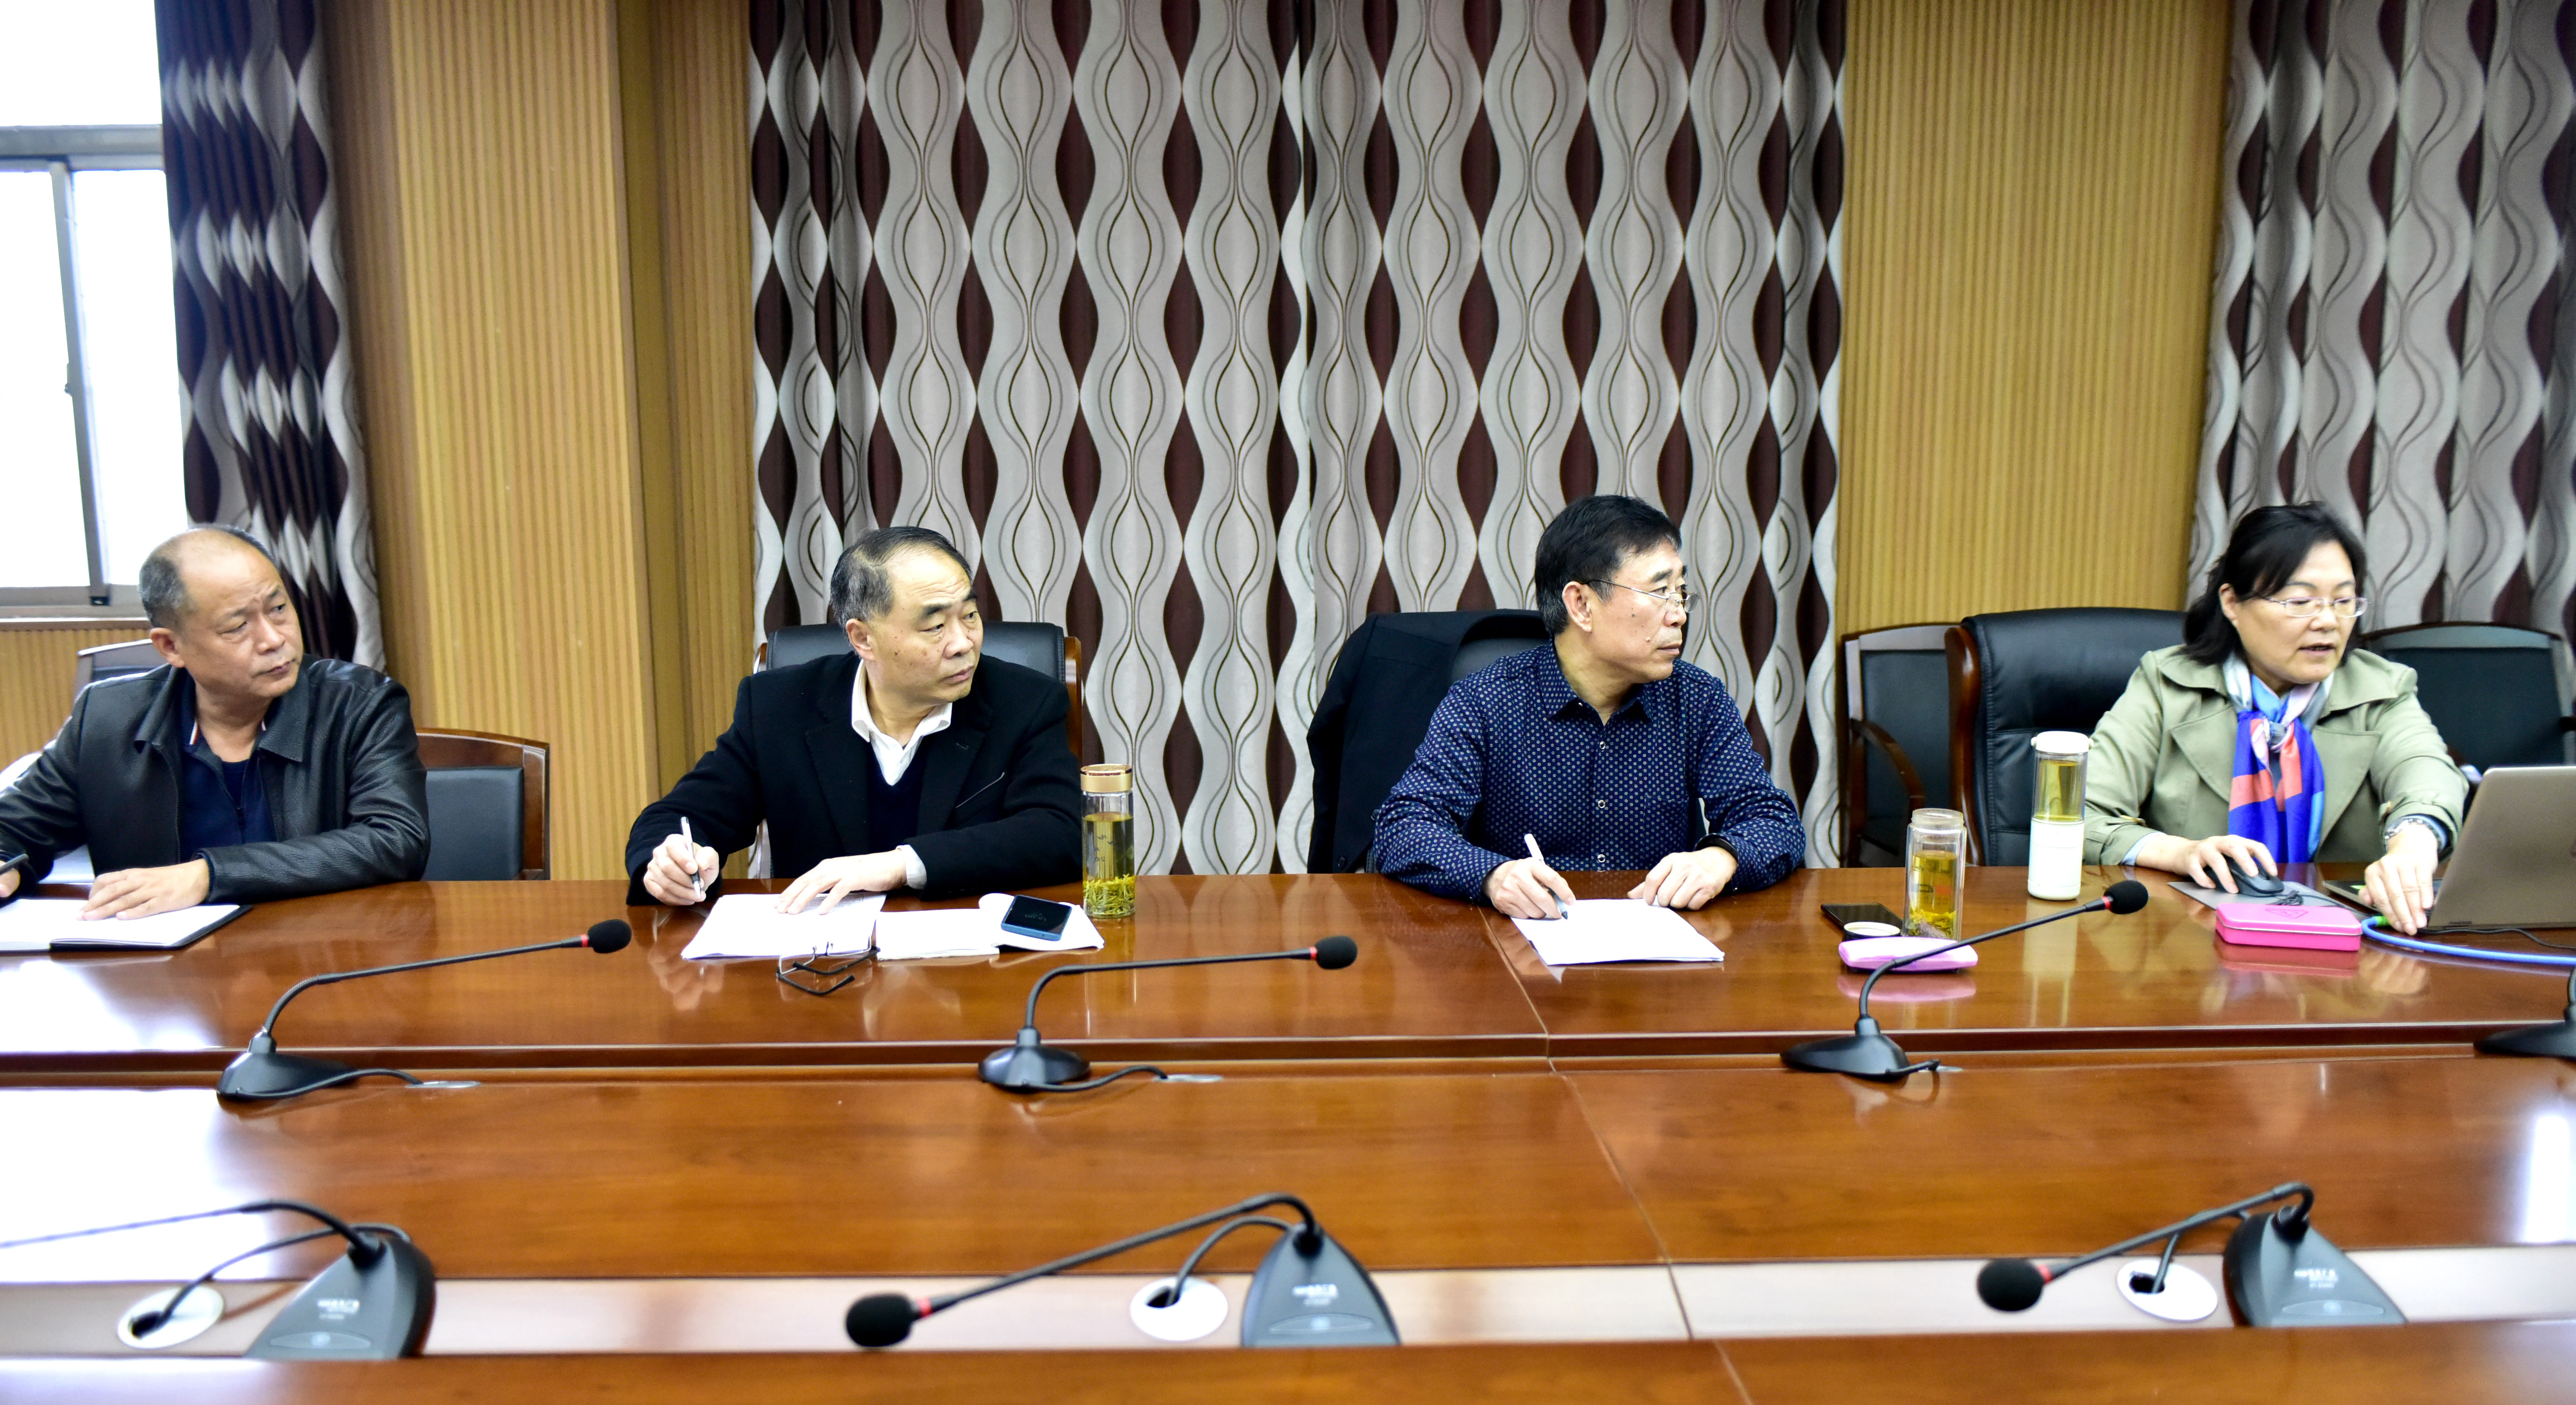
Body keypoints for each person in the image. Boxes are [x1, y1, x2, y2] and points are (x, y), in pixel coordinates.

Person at [1372, 495, 1806, 918]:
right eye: (1660, 591)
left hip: (1659, 948)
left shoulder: (1697, 700)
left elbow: (1774, 821)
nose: (1679, 615)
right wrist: (1492, 875)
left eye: (1681, 592)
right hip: (1522, 946)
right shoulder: (1487, 701)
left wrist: (1721, 858)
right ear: (1581, 605)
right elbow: (1403, 826)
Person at [628, 526, 1080, 911]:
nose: (964, 643)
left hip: (969, 962)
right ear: (863, 638)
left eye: (971, 615)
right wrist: (670, 862)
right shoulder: (780, 707)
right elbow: (678, 816)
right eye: (935, 626)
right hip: (819, 963)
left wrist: (900, 864)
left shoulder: (1025, 701)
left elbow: (1060, 832)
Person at [0, 526, 429, 917]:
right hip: (161, 967)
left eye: (279, 608)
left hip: (321, 952)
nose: (274, 639)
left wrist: (207, 876)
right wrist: (7, 867)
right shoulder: (108, 719)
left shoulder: (359, 705)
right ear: (171, 647)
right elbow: (14, 828)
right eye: (237, 626)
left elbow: (395, 839)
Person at [2086, 503, 2465, 934]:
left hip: (2341, 943)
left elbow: (2427, 774)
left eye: (2343, 601)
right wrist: (2180, 853)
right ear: (2233, 602)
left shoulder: (2381, 689)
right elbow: (2085, 813)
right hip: (2188, 937)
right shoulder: (2166, 684)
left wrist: (2413, 844)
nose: (2328, 621)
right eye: (2301, 602)